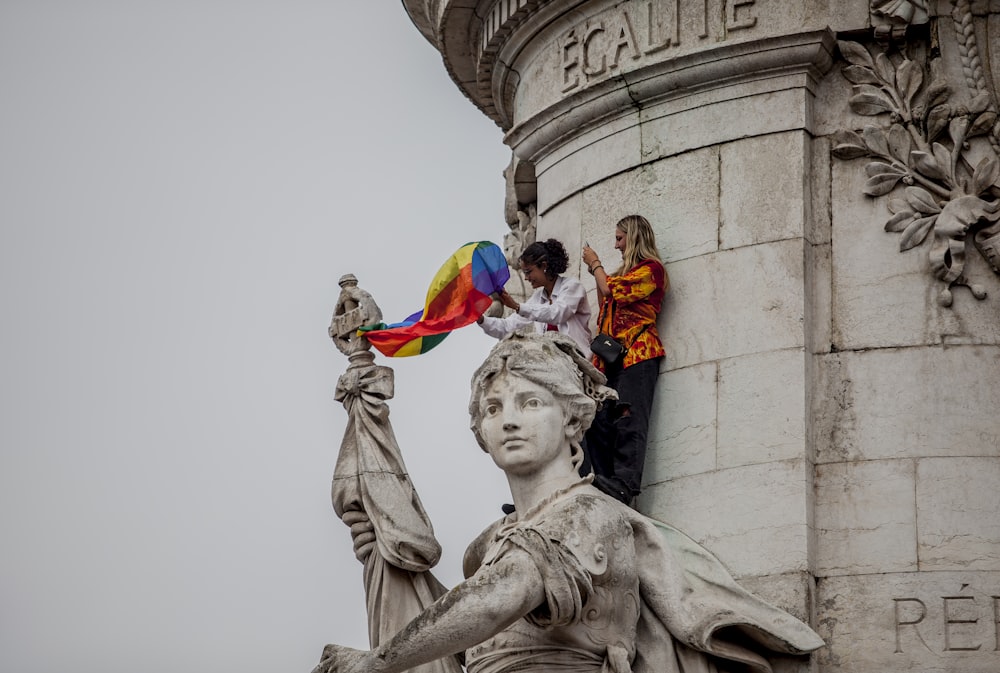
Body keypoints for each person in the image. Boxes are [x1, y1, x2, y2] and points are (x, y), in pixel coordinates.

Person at [312, 333, 823, 673]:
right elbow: (463, 633)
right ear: (480, 431)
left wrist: (378, 661)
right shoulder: (485, 546)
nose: (508, 420)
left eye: (530, 403)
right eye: (492, 408)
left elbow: (497, 599)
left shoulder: (590, 515)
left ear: (574, 420)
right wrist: (391, 558)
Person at [581, 215, 668, 504]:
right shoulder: (623, 274)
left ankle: (625, 484)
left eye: (620, 238)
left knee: (630, 421)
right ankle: (604, 479)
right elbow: (605, 300)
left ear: (634, 238)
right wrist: (599, 273)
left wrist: (595, 264)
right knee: (598, 422)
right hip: (612, 360)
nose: (616, 245)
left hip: (639, 354)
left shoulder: (651, 270)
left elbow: (610, 290)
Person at [478, 238, 592, 356]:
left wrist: (517, 306)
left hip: (577, 358)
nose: (526, 278)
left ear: (544, 266)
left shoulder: (572, 286)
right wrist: (481, 319)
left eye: (528, 272)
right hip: (551, 359)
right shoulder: (538, 297)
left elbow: (557, 314)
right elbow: (507, 326)